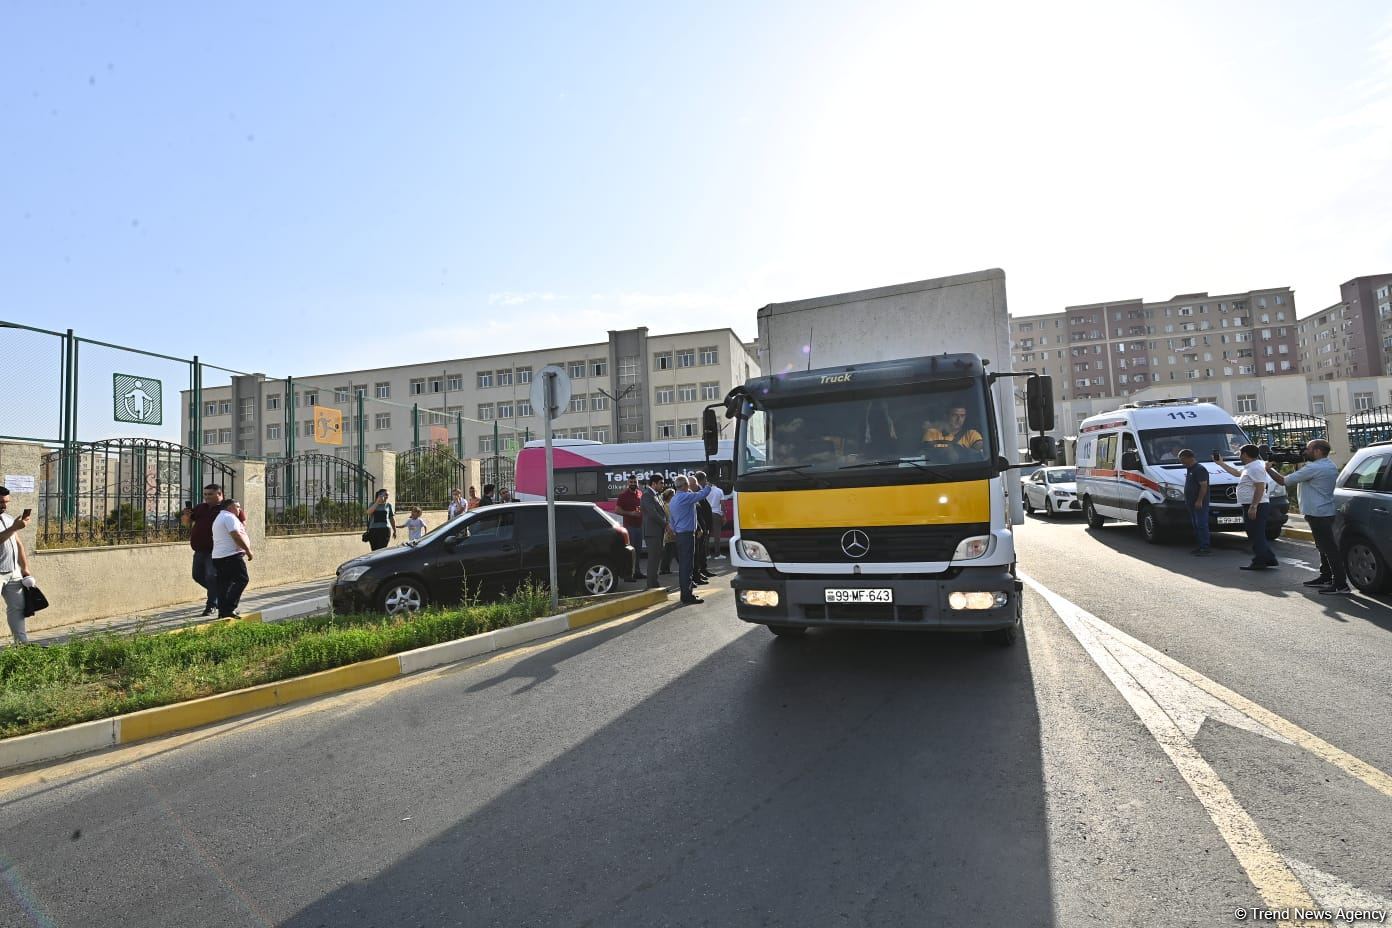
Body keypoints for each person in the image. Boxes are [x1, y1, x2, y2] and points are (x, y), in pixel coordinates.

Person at [1264, 439, 1347, 594]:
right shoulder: (1327, 464)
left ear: (1317, 451)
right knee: (1323, 547)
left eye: (1308, 449)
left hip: (1318, 514)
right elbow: (1300, 475)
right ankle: (1326, 576)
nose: (1304, 452)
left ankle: (1340, 584)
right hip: (1322, 512)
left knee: (1329, 549)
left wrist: (1268, 469)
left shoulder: (1314, 468)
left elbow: (1283, 481)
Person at [181, 482, 246, 616]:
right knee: (197, 576)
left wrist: (242, 546)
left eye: (210, 494)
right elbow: (186, 524)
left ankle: (212, 604)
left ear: (219, 494)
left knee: (211, 577)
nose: (207, 497)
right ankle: (221, 594)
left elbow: (242, 525)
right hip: (199, 550)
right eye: (205, 494)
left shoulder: (228, 507)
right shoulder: (201, 508)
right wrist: (186, 515)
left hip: (216, 551)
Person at [1214, 444, 1278, 571]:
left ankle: (1260, 561)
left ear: (1245, 454)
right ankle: (1269, 558)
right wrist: (1221, 463)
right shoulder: (1250, 466)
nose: (1238, 455)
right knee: (1254, 533)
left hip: (1257, 505)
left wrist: (1254, 506)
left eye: (1239, 453)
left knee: (1256, 534)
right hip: (1252, 504)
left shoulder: (1255, 468)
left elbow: (1260, 487)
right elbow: (1237, 473)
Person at [669, 473, 715, 605]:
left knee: (685, 565)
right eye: (688, 484)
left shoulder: (674, 499)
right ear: (685, 485)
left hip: (680, 534)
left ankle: (686, 593)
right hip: (687, 535)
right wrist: (708, 486)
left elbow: (671, 521)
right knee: (687, 566)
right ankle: (687, 595)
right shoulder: (685, 496)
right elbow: (701, 494)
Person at [0, 485, 35, 646]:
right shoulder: (12, 523)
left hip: (13, 572)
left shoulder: (8, 518)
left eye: (6, 502)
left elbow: (18, 544)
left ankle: (22, 645)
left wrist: (24, 568)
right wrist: (14, 527)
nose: (4, 505)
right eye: (1, 502)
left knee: (18, 608)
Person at [211, 498, 253, 619]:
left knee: (224, 584)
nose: (240, 509)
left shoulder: (220, 517)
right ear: (230, 507)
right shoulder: (229, 517)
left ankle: (223, 612)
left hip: (219, 556)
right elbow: (236, 535)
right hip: (231, 555)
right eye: (237, 507)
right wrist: (248, 550)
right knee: (242, 579)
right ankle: (229, 608)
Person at [1178, 450, 1211, 556]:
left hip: (1199, 503)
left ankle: (1205, 547)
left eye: (1182, 459)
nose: (1181, 462)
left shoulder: (1199, 469)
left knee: (1201, 524)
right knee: (1196, 525)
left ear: (1189, 457)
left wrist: (1199, 500)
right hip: (1191, 502)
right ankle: (1200, 546)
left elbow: (1203, 486)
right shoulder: (1190, 469)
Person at [615, 475, 646, 581]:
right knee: (630, 552)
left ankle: (636, 572)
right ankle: (628, 575)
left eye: (635, 482)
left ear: (637, 483)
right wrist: (631, 513)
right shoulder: (623, 495)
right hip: (629, 527)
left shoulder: (640, 493)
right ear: (628, 483)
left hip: (639, 526)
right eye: (631, 482)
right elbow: (617, 510)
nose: (633, 484)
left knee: (637, 551)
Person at [641, 474, 668, 589]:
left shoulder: (657, 495)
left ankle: (654, 584)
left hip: (658, 532)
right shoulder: (647, 495)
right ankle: (651, 585)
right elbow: (653, 514)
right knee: (653, 559)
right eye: (661, 483)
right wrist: (666, 525)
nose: (663, 485)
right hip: (652, 533)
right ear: (654, 484)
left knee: (656, 559)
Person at [699, 472, 725, 559]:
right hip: (717, 514)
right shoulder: (719, 491)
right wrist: (724, 515)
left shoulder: (704, 491)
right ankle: (717, 554)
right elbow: (722, 505)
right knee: (717, 535)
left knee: (707, 534)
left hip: (707, 514)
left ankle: (707, 554)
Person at [659, 487, 677, 575]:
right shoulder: (667, 505)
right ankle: (664, 568)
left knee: (669, 550)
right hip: (670, 529)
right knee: (672, 550)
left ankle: (664, 568)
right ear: (669, 496)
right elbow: (669, 517)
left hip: (669, 529)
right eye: (673, 495)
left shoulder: (667, 504)